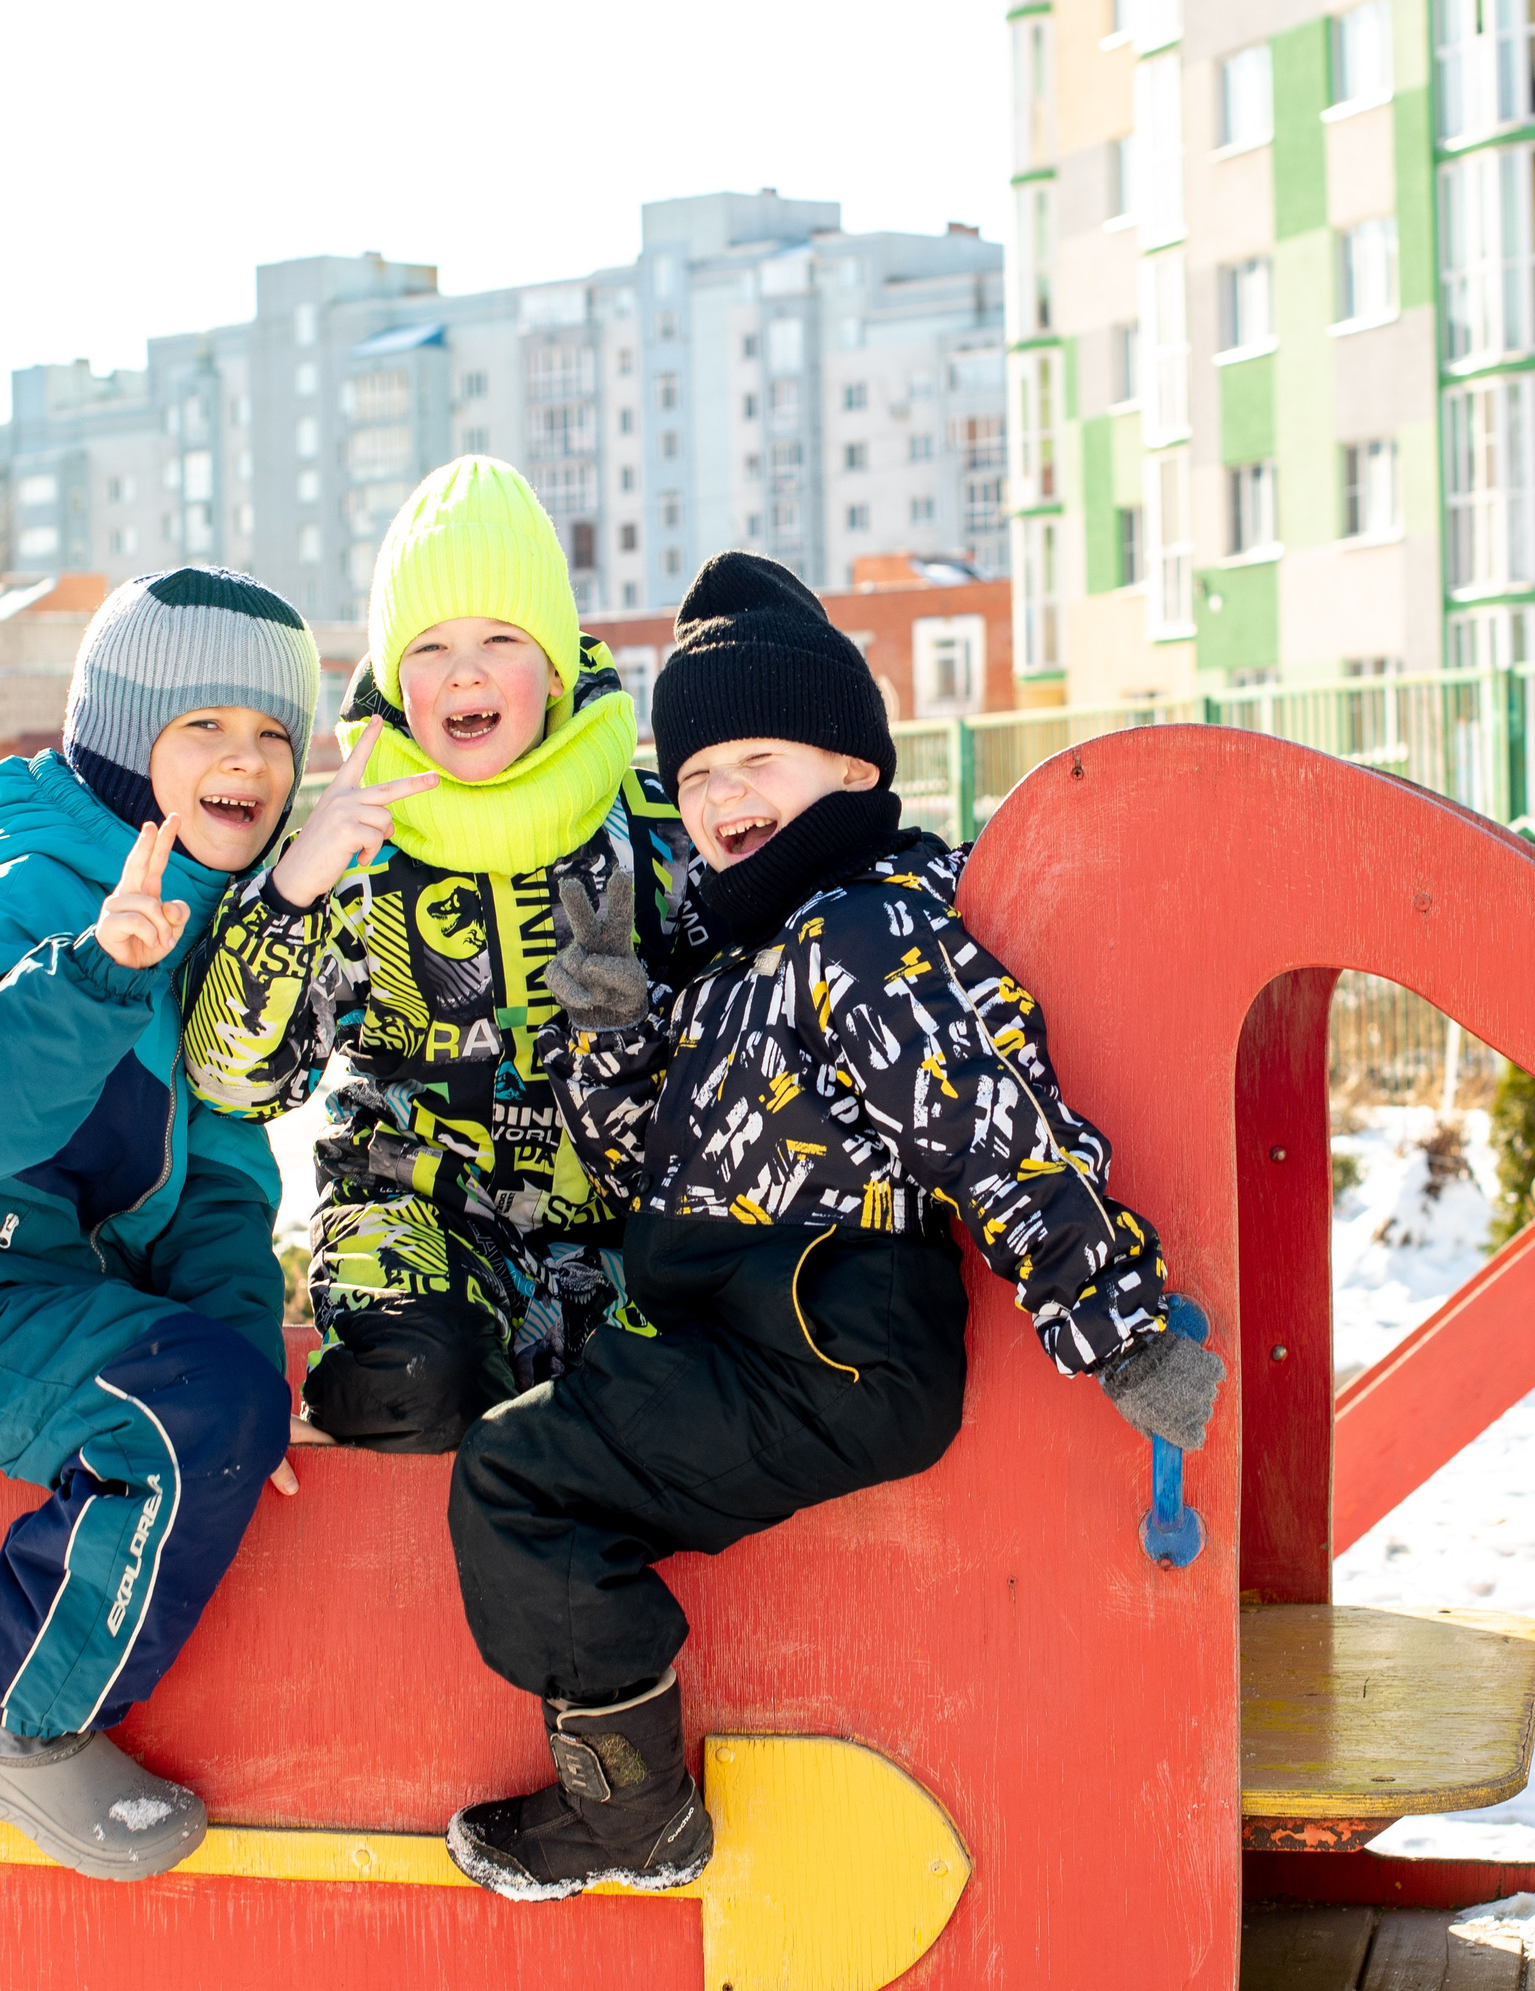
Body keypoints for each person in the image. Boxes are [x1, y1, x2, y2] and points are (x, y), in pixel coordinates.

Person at [441, 552, 1224, 1900]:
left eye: (756, 758)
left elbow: (991, 1123)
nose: (721, 795)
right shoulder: (744, 953)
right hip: (744, 1333)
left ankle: (631, 1810)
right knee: (524, 1454)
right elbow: (641, 1154)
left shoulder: (863, 932)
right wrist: (608, 1008)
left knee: (521, 1482)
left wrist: (1120, 1324)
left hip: (828, 1339)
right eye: (693, 778)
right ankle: (626, 1783)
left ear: (857, 769)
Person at [0, 566, 323, 1881]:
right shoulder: (33, 870)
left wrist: (242, 1382)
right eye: (203, 724)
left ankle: (191, 1432)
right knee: (175, 1412)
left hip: (57, 1299)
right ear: (121, 729)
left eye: (272, 735)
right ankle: (11, 1724)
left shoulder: (214, 918)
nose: (246, 760)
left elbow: (215, 1175)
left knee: (212, 1396)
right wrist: (101, 971)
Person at [183, 457, 698, 1453]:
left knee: (671, 1411)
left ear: (551, 666)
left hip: (623, 1234)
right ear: (393, 681)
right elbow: (233, 1081)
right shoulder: (355, 842)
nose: (464, 670)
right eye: (430, 646)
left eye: (500, 638)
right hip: (414, 1219)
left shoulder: (649, 827)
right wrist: (293, 888)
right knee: (414, 1385)